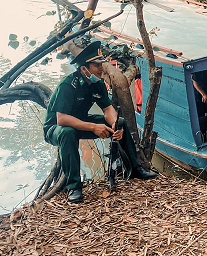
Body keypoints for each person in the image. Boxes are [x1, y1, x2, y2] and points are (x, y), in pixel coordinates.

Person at [43, 42, 158, 203]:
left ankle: (135, 169)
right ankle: (74, 187)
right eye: (96, 65)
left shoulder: (97, 84)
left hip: (80, 122)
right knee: (67, 132)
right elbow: (61, 119)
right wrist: (93, 127)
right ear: (84, 69)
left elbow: (107, 109)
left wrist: (114, 125)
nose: (101, 68)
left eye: (101, 64)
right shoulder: (68, 85)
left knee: (122, 123)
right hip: (56, 128)